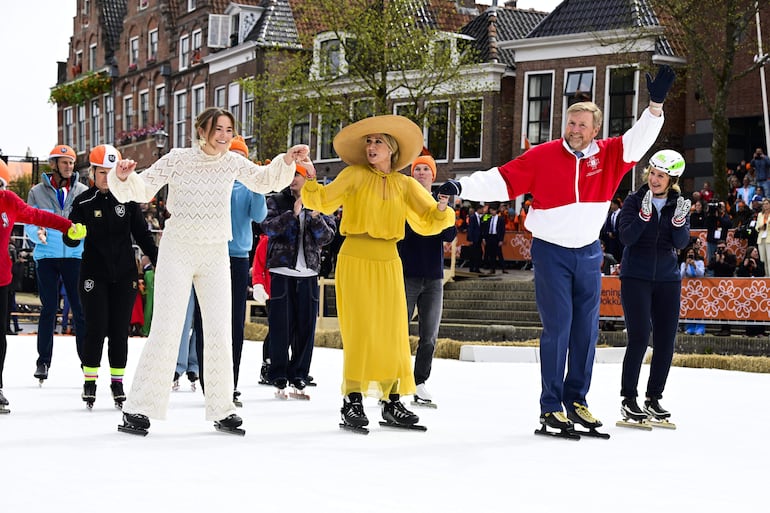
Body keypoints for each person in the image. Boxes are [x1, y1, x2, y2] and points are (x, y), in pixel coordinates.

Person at [439, 65, 676, 437]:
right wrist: (460, 186)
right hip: (551, 251)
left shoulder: (611, 154)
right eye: (571, 123)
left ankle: (576, 400)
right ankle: (551, 406)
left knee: (586, 331)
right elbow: (501, 179)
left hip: (588, 253)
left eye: (583, 125)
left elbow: (640, 138)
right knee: (559, 329)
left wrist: (656, 106)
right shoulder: (544, 156)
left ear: (595, 130)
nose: (575, 130)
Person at [111, 106, 307, 436]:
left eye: (230, 131)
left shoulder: (232, 161)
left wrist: (287, 160)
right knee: (167, 327)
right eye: (219, 129)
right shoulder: (178, 158)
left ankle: (222, 407)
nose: (225, 136)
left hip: (215, 251)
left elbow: (262, 181)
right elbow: (144, 189)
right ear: (202, 130)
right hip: (177, 250)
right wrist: (123, 176)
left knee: (219, 329)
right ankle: (138, 408)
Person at [301, 115, 455, 432]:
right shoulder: (354, 175)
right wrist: (311, 180)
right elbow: (324, 201)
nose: (371, 147)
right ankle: (353, 401)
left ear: (392, 149)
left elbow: (428, 220)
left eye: (378, 142)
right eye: (368, 142)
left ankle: (392, 399)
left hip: (389, 260)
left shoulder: (405, 184)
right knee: (360, 331)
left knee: (393, 331)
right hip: (355, 257)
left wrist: (441, 204)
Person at [68, 144, 158, 409]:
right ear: (91, 174)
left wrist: (159, 258)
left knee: (120, 330)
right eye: (102, 172)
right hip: (94, 274)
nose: (107, 178)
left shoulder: (128, 201)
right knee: (96, 328)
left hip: (124, 275)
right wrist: (72, 235)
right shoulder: (83, 202)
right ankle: (90, 381)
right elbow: (71, 236)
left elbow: (142, 235)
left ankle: (117, 383)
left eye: (112, 172)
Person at [0, 157, 87, 412]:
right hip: (44, 260)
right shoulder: (35, 191)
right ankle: (43, 360)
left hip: (2, 278)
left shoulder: (8, 201)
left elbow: (37, 216)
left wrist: (68, 225)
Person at [616, 150, 690, 426]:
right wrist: (643, 216)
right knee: (638, 337)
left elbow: (681, 243)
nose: (654, 180)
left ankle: (653, 398)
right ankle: (628, 399)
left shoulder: (677, 204)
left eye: (661, 176)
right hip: (636, 275)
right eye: (652, 174)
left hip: (668, 279)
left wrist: (680, 223)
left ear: (672, 179)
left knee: (666, 341)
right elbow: (626, 237)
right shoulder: (634, 202)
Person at [192, 135, 268, 406]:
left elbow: (259, 217)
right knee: (204, 320)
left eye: (241, 156)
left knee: (234, 322)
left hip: (236, 259)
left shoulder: (248, 187)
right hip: (208, 255)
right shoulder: (209, 183)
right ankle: (206, 381)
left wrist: (258, 185)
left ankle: (230, 383)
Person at [260, 164, 336, 398]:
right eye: (290, 174)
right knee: (280, 326)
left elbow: (328, 236)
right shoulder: (275, 200)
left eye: (297, 175)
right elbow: (267, 228)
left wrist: (314, 217)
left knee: (306, 327)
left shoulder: (321, 200)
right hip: (282, 270)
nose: (292, 179)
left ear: (307, 178)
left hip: (309, 273)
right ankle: (279, 374)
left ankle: (300, 374)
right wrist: (291, 215)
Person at [24, 144, 89, 383]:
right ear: (54, 165)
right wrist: (35, 235)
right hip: (47, 256)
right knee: (48, 308)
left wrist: (85, 236)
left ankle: (87, 363)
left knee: (80, 311)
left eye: (72, 163)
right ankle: (43, 362)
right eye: (65, 162)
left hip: (74, 257)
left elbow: (88, 223)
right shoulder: (36, 192)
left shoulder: (83, 190)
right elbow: (29, 220)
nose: (69, 167)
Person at [397, 153, 457, 407]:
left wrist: (442, 209)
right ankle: (393, 381)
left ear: (433, 175)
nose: (421, 173)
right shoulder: (403, 201)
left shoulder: (440, 205)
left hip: (433, 277)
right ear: (412, 175)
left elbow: (450, 235)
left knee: (429, 335)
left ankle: (420, 382)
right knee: (398, 331)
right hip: (406, 274)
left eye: (426, 169)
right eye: (417, 169)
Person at [251, 231, 272, 384]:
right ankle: (267, 364)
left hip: (285, 292)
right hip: (271, 294)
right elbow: (258, 267)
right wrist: (259, 285)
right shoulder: (266, 241)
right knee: (275, 330)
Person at [708, 241, 737, 336]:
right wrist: (716, 261)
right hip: (717, 285)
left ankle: (727, 328)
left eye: (723, 248)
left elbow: (732, 268)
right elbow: (710, 267)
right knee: (720, 306)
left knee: (727, 306)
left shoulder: (731, 257)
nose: (721, 250)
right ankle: (722, 328)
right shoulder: (714, 256)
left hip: (728, 284)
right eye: (719, 248)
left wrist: (723, 262)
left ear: (726, 248)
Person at [735, 245, 766, 337]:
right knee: (749, 310)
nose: (756, 253)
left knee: (759, 310)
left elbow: (762, 274)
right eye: (754, 251)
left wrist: (755, 266)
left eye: (757, 251)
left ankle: (760, 331)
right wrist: (744, 266)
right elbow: (740, 274)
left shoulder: (760, 263)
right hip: (747, 291)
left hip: (758, 290)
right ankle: (749, 331)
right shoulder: (743, 263)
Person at [680, 246, 706, 335]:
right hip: (689, 290)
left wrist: (694, 266)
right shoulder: (683, 264)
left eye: (692, 252)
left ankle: (700, 328)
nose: (690, 254)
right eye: (688, 253)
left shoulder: (700, 262)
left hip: (699, 289)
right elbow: (681, 275)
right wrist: (686, 266)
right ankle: (690, 328)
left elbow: (701, 274)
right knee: (690, 307)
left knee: (699, 308)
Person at [482, 202, 506, 273]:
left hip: (496, 237)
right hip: (489, 237)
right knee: (491, 254)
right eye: (491, 210)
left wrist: (501, 239)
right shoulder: (488, 218)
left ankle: (503, 267)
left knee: (499, 253)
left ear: (496, 211)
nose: (492, 212)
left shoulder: (500, 219)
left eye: (493, 210)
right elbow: (485, 228)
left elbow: (502, 230)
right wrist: (484, 238)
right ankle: (492, 268)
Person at [139, 255, 154, 336]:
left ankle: (145, 329)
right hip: (153, 294)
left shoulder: (147, 273)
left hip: (148, 294)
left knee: (147, 310)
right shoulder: (153, 273)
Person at [755, 198, 770, 266]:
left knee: (769, 258)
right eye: (764, 204)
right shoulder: (760, 215)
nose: (765, 205)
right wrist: (760, 227)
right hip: (761, 238)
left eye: (767, 204)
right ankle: (765, 275)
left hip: (769, 237)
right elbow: (756, 227)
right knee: (762, 260)